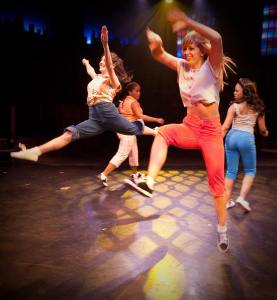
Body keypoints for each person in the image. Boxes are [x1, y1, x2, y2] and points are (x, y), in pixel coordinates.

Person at [127, 7, 236, 252]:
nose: (186, 52)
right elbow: (160, 55)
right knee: (163, 133)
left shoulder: (212, 67)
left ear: (201, 51)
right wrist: (155, 44)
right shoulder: (181, 67)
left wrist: (187, 21)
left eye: (191, 48)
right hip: (190, 126)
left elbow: (217, 38)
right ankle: (149, 181)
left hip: (210, 132)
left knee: (216, 184)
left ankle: (222, 230)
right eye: (184, 48)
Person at [10, 25, 156, 162]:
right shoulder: (98, 78)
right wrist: (86, 63)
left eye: (104, 60)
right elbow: (91, 72)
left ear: (112, 64)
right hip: (95, 117)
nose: (101, 62)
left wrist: (105, 44)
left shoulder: (113, 80)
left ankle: (158, 132)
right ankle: (36, 152)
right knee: (69, 135)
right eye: (101, 60)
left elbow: (110, 69)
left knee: (136, 129)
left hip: (108, 113)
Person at [99, 81, 164, 186]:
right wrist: (156, 119)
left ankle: (135, 174)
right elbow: (140, 116)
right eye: (136, 91)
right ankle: (104, 174)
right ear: (130, 92)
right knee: (122, 154)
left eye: (139, 91)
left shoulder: (125, 101)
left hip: (127, 128)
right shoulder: (133, 102)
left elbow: (130, 117)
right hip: (127, 131)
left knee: (134, 151)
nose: (139, 93)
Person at [222, 78, 269, 212]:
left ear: (245, 92)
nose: (234, 92)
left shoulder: (234, 106)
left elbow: (225, 127)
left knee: (231, 171)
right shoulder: (258, 108)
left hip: (232, 137)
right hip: (246, 138)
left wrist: (215, 143)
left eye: (237, 90)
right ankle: (242, 197)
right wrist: (266, 133)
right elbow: (262, 129)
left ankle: (226, 201)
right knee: (250, 170)